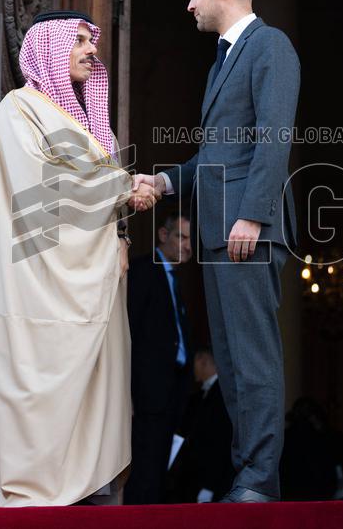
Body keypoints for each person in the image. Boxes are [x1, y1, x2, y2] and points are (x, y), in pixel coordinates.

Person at [0, 11, 159, 507]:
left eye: (93, 42)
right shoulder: (19, 110)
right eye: (79, 41)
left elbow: (95, 200)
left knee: (99, 400)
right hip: (36, 284)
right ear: (47, 48)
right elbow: (38, 188)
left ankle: (92, 492)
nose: (93, 50)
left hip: (95, 289)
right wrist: (122, 186)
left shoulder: (92, 128)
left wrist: (121, 232)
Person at [135, 0, 301, 503]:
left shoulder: (270, 46)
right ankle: (250, 477)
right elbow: (215, 157)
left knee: (253, 357)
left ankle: (258, 480)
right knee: (231, 365)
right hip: (218, 234)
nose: (190, 4)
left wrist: (252, 214)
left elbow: (274, 137)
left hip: (245, 229)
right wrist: (161, 184)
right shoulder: (220, 62)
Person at [124, 212, 194, 504]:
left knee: (159, 474)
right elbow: (131, 329)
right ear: (163, 236)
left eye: (192, 240)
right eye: (182, 237)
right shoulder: (143, 270)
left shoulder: (176, 281)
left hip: (172, 391)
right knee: (144, 473)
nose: (189, 246)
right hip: (147, 393)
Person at [171, 348, 235, 503]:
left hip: (214, 480)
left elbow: (219, 441)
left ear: (203, 361)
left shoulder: (222, 393)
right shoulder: (201, 395)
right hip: (197, 478)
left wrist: (209, 485)